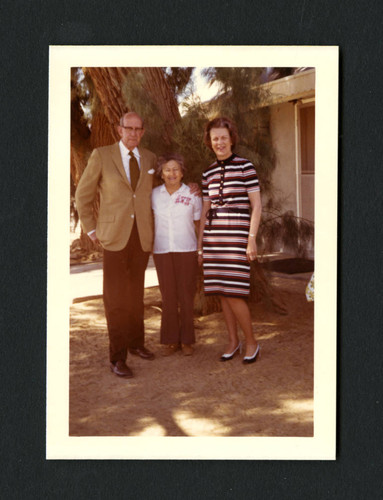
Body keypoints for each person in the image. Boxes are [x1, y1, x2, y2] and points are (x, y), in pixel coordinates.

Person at [75, 112, 158, 378]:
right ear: (119, 129)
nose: (133, 133)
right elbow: (82, 196)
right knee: (115, 299)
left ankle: (136, 343)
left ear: (143, 132)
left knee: (135, 294)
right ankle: (117, 357)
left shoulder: (150, 158)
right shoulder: (102, 155)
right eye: (128, 128)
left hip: (141, 236)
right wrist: (90, 229)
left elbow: (161, 187)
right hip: (113, 237)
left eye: (138, 129)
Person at [197, 117, 262, 364]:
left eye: (224, 137)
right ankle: (233, 341)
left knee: (235, 292)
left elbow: (257, 206)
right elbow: (204, 212)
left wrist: (251, 240)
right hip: (214, 239)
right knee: (223, 293)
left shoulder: (246, 167)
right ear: (210, 142)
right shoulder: (208, 173)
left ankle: (252, 341)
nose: (220, 142)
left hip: (237, 236)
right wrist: (201, 247)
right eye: (215, 138)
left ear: (231, 138)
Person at [151, 153, 202, 356]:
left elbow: (199, 224)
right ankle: (171, 340)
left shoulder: (192, 194)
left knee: (186, 296)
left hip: (187, 250)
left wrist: (201, 249)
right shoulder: (153, 194)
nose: (172, 173)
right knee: (168, 296)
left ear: (182, 173)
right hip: (162, 250)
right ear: (161, 174)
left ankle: (187, 340)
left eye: (176, 169)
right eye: (167, 170)